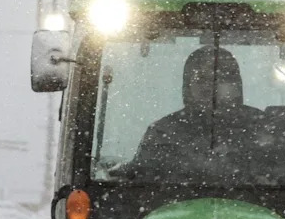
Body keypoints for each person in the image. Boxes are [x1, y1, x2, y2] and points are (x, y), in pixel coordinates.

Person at [113, 45, 266, 183]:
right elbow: (142, 183)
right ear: (188, 85)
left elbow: (282, 175)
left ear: (236, 84)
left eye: (221, 78)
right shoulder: (163, 131)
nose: (210, 86)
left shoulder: (261, 126)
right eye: (201, 79)